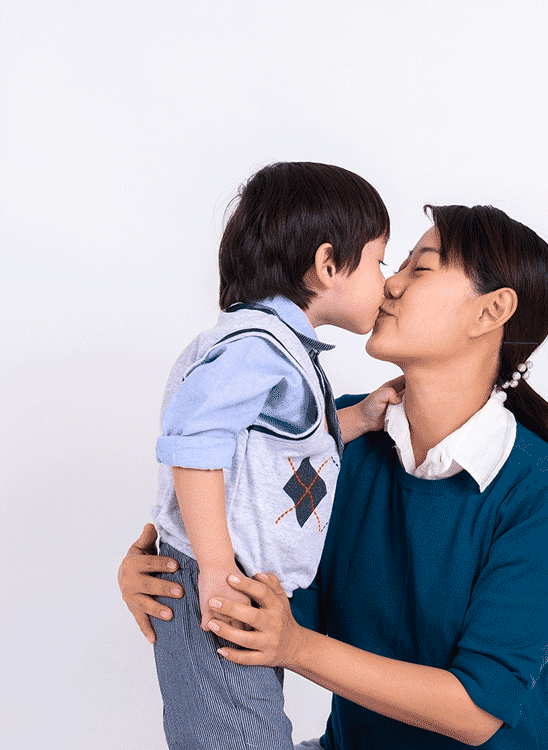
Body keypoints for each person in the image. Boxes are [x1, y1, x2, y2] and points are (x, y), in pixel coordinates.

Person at [120, 204, 548, 750]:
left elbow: (477, 710)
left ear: (491, 311)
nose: (391, 284)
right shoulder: (341, 438)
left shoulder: (543, 490)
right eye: (397, 264)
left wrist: (296, 647)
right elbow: (269, 590)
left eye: (420, 268)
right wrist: (171, 576)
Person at [148, 161, 404, 750]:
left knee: (254, 730)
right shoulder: (258, 347)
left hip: (241, 584)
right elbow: (195, 439)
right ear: (327, 264)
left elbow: (272, 451)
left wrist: (360, 419)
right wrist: (217, 566)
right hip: (219, 584)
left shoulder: (273, 347)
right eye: (379, 261)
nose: (387, 282)